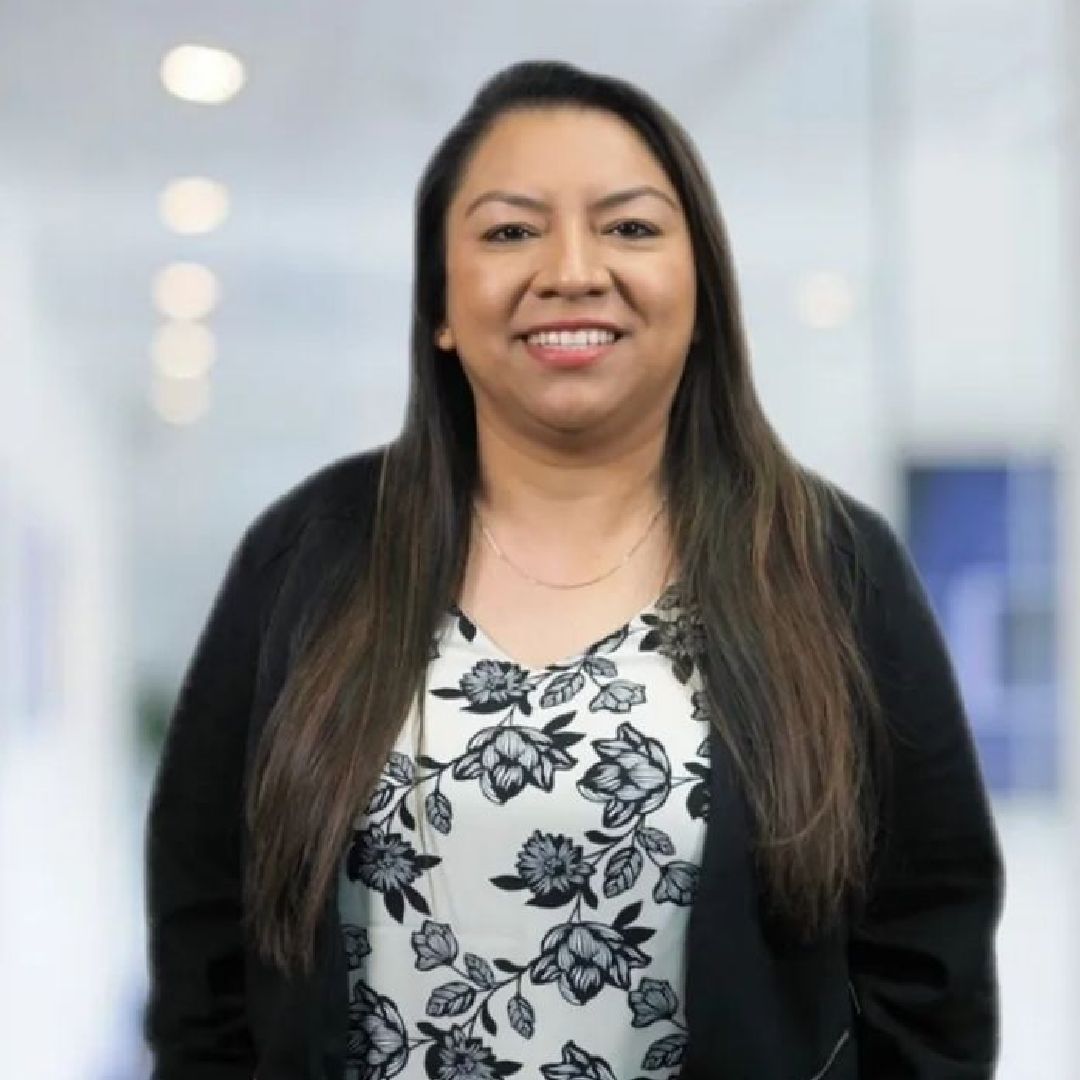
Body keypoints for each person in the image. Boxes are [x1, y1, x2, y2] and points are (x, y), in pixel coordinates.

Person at [143, 60, 1003, 1080]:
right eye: (511, 231)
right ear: (442, 309)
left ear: (702, 291)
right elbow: (207, 952)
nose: (572, 269)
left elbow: (929, 967)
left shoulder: (830, 567)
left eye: (630, 227)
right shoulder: (312, 555)